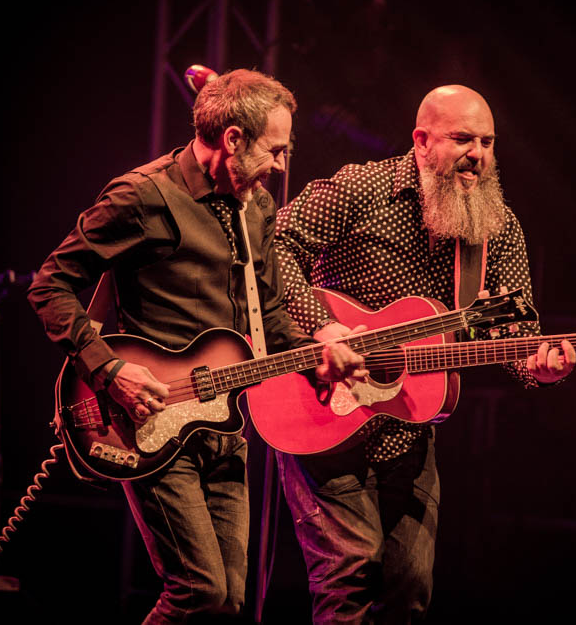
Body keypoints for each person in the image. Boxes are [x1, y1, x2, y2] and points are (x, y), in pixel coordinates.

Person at [27, 69, 366, 624]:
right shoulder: (143, 195)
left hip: (224, 426)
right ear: (233, 139)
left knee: (231, 604)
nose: (282, 165)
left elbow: (268, 315)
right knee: (199, 591)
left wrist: (319, 348)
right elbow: (50, 284)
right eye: (275, 150)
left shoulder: (256, 208)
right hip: (147, 420)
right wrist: (109, 370)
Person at [273, 85, 576, 623]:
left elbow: (513, 333)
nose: (478, 154)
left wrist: (539, 367)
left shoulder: (498, 227)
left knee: (409, 589)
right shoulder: (360, 188)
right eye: (463, 138)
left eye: (487, 141)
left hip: (409, 427)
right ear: (421, 140)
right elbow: (276, 245)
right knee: (348, 577)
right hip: (319, 410)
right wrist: (323, 330)